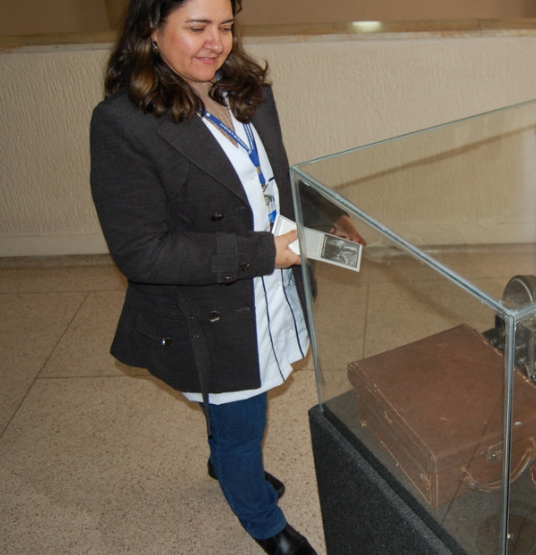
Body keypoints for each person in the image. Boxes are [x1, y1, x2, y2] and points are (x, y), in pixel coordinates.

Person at [89, 1, 364, 553]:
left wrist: (324, 214)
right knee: (245, 418)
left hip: (271, 283)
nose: (216, 42)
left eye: (226, 26)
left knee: (236, 405)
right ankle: (264, 523)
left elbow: (272, 180)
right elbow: (143, 253)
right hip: (211, 307)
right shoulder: (122, 123)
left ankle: (222, 458)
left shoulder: (243, 90)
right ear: (151, 28)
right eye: (196, 28)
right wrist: (263, 254)